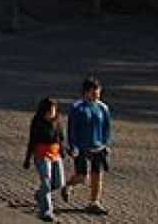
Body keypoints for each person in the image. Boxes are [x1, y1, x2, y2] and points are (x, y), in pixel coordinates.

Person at [63, 76, 113, 215]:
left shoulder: (103, 107)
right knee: (82, 176)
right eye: (94, 91)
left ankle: (94, 202)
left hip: (98, 146)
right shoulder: (77, 107)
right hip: (81, 147)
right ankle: (68, 185)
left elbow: (107, 127)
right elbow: (72, 128)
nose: (97, 94)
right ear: (86, 92)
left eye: (98, 91)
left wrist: (106, 144)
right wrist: (73, 146)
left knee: (97, 174)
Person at [23, 97, 66, 222]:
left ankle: (40, 194)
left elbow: (60, 137)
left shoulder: (57, 121)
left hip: (55, 153)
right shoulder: (37, 122)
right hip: (42, 155)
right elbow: (32, 141)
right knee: (46, 183)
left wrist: (63, 151)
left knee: (58, 182)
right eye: (49, 111)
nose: (51, 114)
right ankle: (46, 211)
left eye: (53, 111)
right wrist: (28, 158)